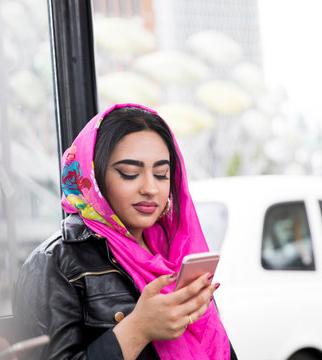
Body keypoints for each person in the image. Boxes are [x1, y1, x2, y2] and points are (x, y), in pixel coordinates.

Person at [13, 103, 238, 359]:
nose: (150, 188)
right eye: (130, 173)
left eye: (162, 174)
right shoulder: (55, 262)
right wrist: (138, 329)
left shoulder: (175, 252)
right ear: (94, 176)